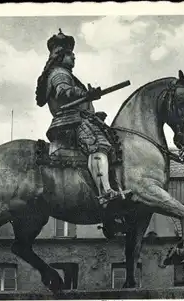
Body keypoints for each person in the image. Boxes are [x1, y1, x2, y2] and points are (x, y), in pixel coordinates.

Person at [35, 29, 120, 204]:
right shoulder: (59, 73)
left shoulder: (62, 73)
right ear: (60, 57)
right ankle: (104, 192)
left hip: (77, 118)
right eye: (70, 55)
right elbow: (63, 92)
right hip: (71, 121)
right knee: (97, 146)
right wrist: (86, 93)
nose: (74, 58)